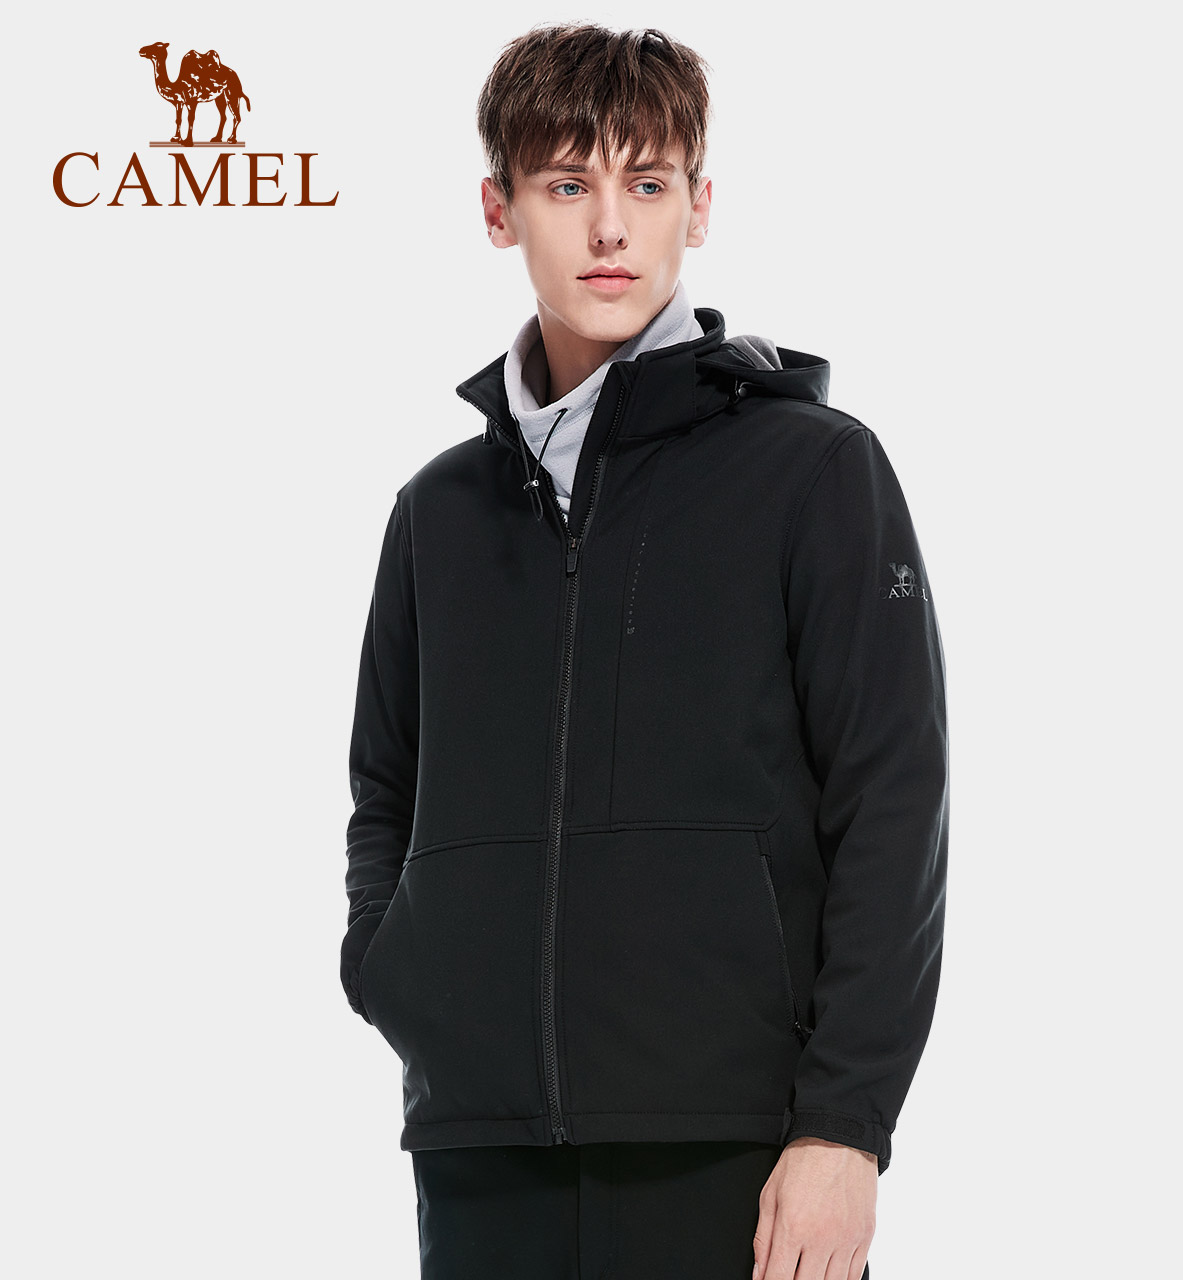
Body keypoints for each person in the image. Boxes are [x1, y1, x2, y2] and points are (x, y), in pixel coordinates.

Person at [340, 21, 948, 1280]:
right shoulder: (435, 514)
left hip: (736, 1150)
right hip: (480, 1150)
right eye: (567, 185)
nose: (609, 228)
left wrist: (845, 1125)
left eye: (648, 182)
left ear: (698, 207)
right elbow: (385, 788)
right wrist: (396, 969)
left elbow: (891, 802)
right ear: (500, 211)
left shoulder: (813, 472)